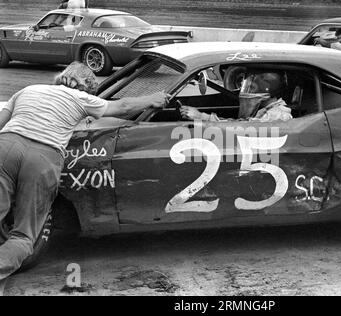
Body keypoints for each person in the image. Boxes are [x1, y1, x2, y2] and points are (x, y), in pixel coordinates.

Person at [0, 62, 168, 280]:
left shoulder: (27, 90)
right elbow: (124, 107)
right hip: (42, 158)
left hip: (5, 148)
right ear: (87, 87)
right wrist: (153, 99)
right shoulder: (82, 99)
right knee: (24, 235)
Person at [180, 70, 293, 122]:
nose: (247, 91)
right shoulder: (265, 110)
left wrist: (201, 116)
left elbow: (241, 127)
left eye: (252, 88)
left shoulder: (277, 115)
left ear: (266, 91)